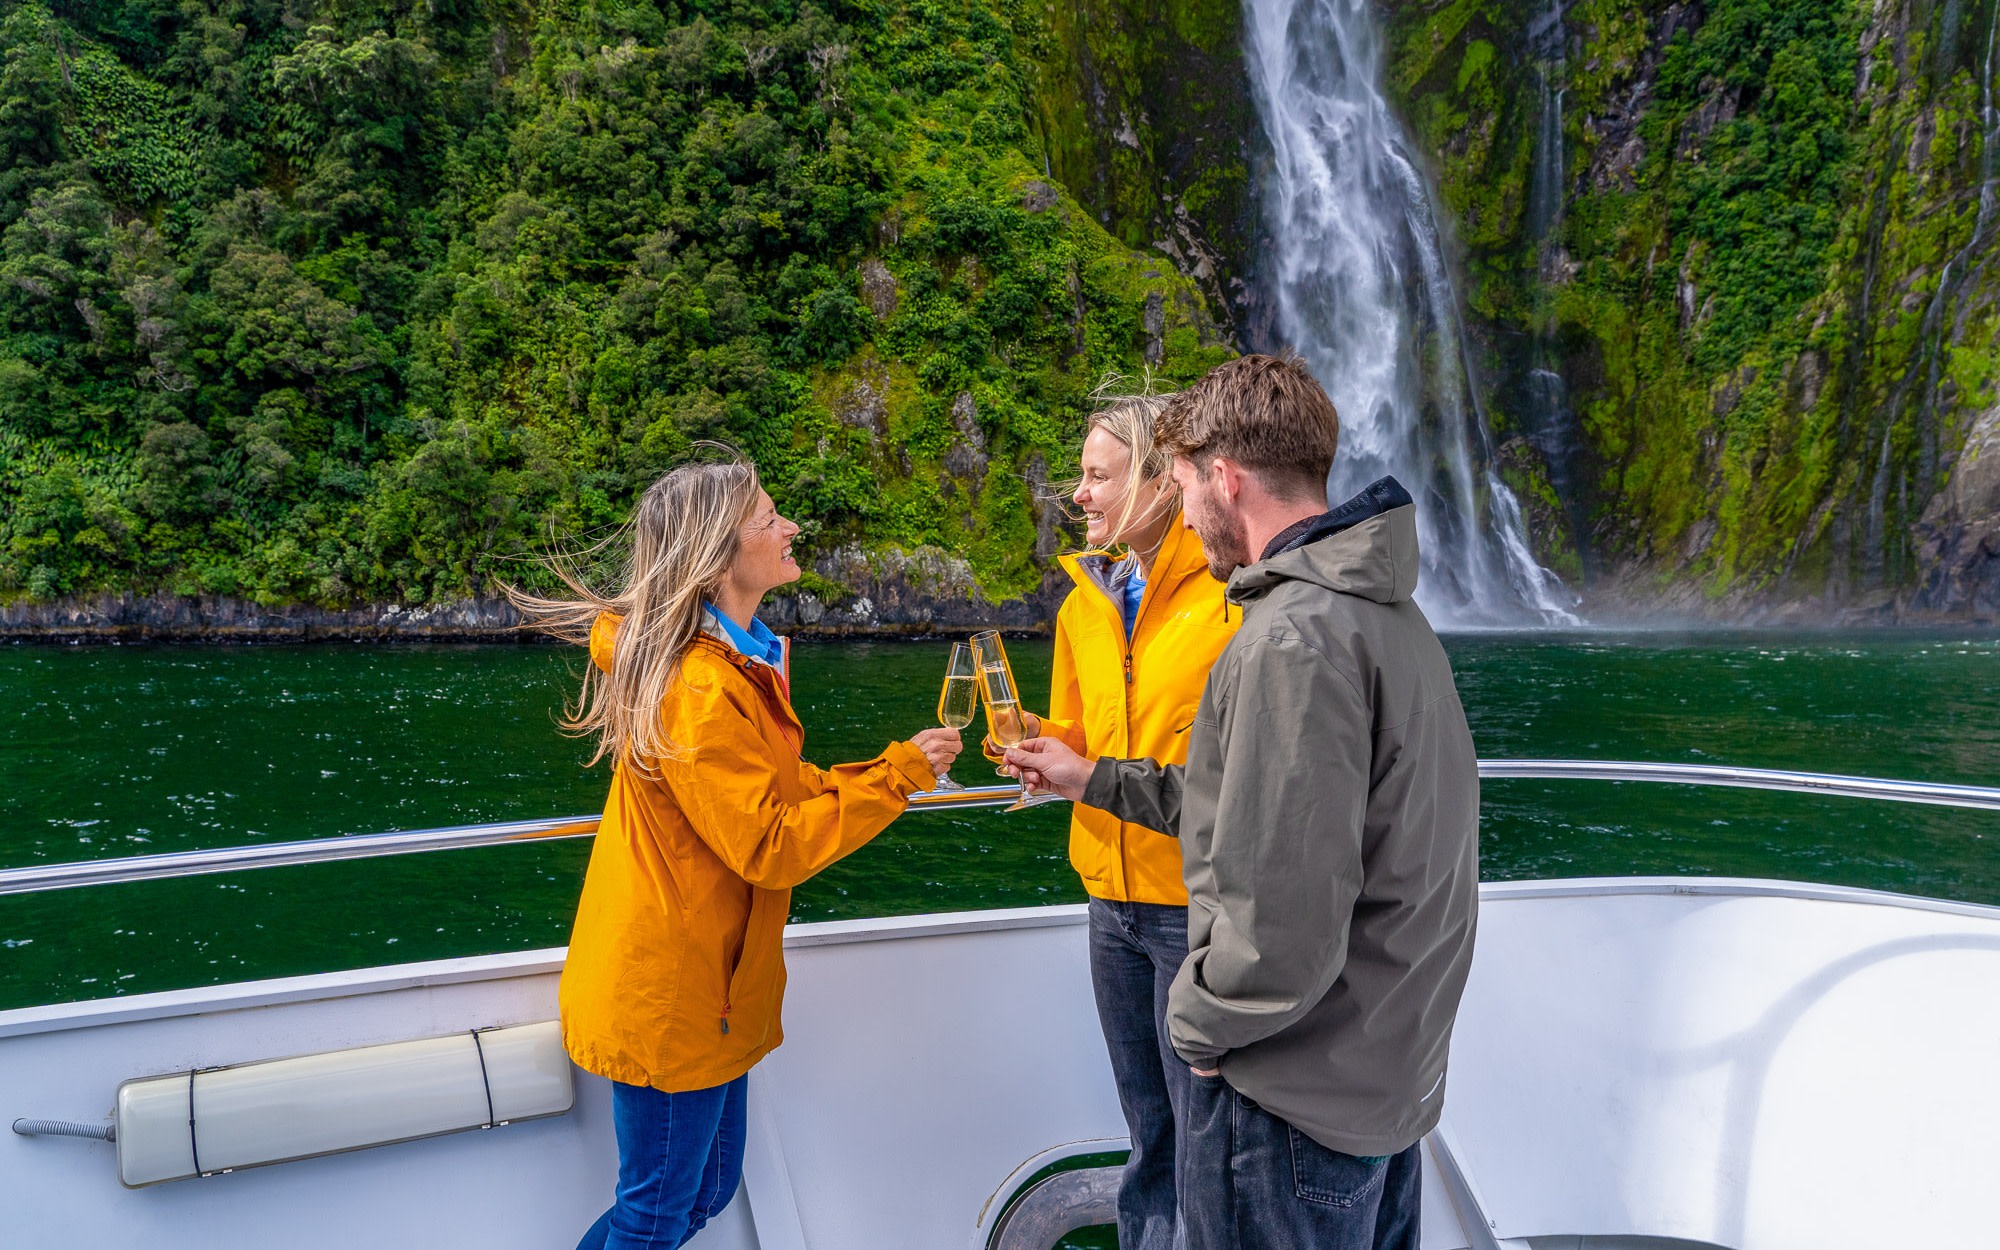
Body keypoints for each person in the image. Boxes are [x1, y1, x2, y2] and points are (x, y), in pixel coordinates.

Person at [1001, 355, 1480, 1250]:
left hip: (1292, 1093)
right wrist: (1092, 778)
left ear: (1223, 479)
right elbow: (1261, 810)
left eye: (1183, 484)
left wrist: (1196, 1025)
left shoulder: (1289, 639)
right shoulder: (1387, 612)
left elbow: (1280, 912)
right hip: (1379, 1071)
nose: (1186, 515)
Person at [508, 450, 962, 1250]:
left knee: (705, 1192)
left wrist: (892, 768)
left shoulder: (732, 665)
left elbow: (772, 786)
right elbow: (770, 844)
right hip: (677, 992)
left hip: (706, 983)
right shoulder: (700, 687)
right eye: (769, 518)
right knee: (653, 1215)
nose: (791, 527)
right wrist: (897, 780)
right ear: (718, 557)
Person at [988, 391, 1238, 1250]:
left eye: (1099, 476)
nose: (1080, 494)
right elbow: (1086, 738)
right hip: (1110, 901)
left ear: (1163, 480)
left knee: (1207, 1141)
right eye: (1081, 477)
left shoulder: (1231, 594)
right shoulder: (1082, 605)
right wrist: (1035, 740)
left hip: (1195, 904)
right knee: (1150, 1133)